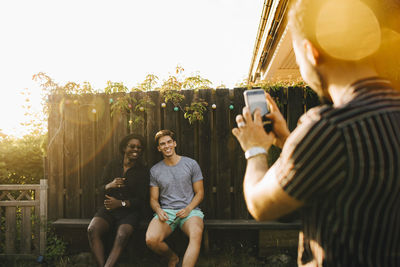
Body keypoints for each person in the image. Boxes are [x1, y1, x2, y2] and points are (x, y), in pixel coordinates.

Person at [232, 0, 400, 266]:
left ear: (312, 52)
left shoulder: (329, 128)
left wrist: (254, 149)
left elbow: (260, 205)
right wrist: (288, 139)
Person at [87, 134, 149, 267]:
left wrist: (120, 203)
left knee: (122, 235)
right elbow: (99, 189)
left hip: (130, 213)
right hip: (108, 209)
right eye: (132, 146)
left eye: (139, 147)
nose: (136, 149)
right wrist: (110, 185)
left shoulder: (143, 171)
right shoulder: (113, 165)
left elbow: (141, 200)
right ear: (124, 148)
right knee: (92, 230)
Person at [145, 129, 204, 267]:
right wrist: (159, 210)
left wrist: (188, 209)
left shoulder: (191, 164)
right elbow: (153, 199)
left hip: (190, 211)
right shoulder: (155, 170)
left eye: (169, 142)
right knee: (151, 240)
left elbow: (200, 193)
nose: (167, 146)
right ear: (159, 148)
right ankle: (172, 258)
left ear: (175, 143)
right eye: (162, 144)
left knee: (196, 233)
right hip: (167, 212)